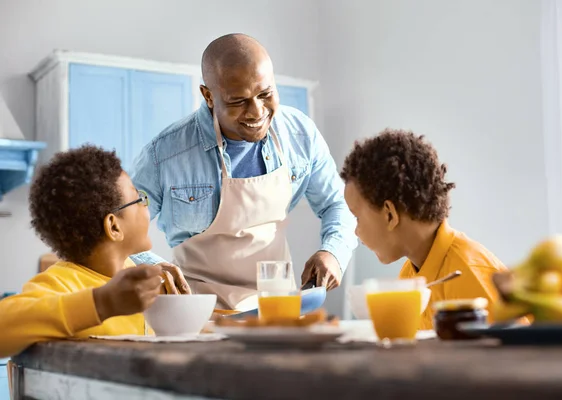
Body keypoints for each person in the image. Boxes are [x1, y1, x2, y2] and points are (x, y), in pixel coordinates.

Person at [130, 33, 357, 310]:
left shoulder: (300, 134)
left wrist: (332, 252)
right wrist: (154, 268)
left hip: (278, 307)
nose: (256, 112)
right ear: (208, 96)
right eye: (238, 101)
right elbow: (118, 237)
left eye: (265, 94)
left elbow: (336, 203)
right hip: (198, 312)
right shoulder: (164, 154)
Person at [0, 145, 190, 358]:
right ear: (114, 227)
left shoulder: (133, 272)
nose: (146, 207)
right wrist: (103, 302)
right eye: (139, 199)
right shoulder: (62, 283)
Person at [340, 129, 507, 329]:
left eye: (356, 217)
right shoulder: (410, 275)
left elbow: (512, 356)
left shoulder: (469, 273)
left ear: (390, 214)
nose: (355, 231)